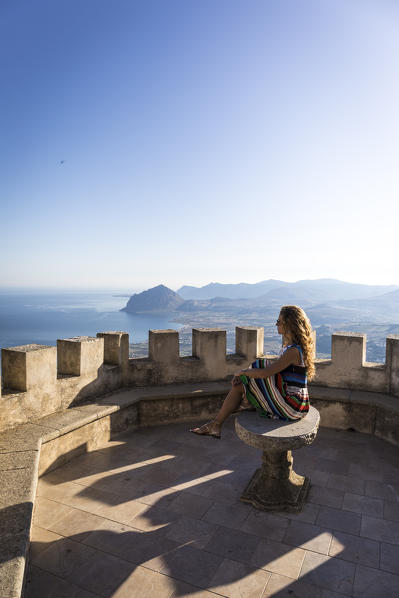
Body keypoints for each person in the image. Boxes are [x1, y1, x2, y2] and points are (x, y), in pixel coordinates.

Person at [190, 305, 315, 438]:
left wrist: (242, 372)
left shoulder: (293, 351)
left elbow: (265, 373)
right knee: (243, 382)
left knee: (259, 365)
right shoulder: (288, 347)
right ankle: (217, 424)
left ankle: (223, 419)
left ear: (289, 324)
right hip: (292, 401)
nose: (276, 324)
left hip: (293, 405)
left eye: (279, 321)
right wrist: (246, 376)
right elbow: (272, 373)